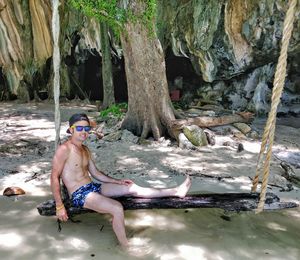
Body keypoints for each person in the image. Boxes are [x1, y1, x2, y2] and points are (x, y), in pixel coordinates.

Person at [51, 113, 191, 247]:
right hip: (79, 195)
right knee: (117, 208)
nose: (84, 132)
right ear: (71, 130)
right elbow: (54, 177)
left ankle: (176, 191)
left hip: (92, 187)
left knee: (132, 188)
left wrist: (116, 181)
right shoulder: (64, 150)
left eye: (86, 128)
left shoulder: (85, 149)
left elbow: (96, 173)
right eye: (79, 128)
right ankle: (125, 247)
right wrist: (59, 206)